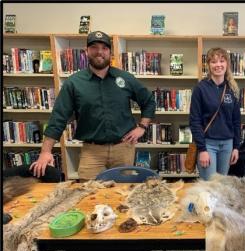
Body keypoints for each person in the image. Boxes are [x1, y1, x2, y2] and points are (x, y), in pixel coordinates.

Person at [30, 31, 156, 181]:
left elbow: (148, 101)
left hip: (124, 149)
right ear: (86, 51)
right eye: (94, 47)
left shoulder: (125, 78)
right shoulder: (73, 83)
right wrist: (45, 151)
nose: (99, 52)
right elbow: (58, 117)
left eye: (104, 48)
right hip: (91, 152)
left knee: (123, 193)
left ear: (110, 52)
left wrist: (142, 127)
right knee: (87, 194)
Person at [189, 47, 241, 181]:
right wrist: (202, 149)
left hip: (227, 145)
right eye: (214, 62)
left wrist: (236, 147)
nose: (218, 65)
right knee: (209, 187)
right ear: (208, 65)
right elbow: (195, 121)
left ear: (227, 64)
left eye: (222, 61)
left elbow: (236, 121)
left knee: (221, 187)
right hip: (208, 145)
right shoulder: (200, 89)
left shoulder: (232, 89)